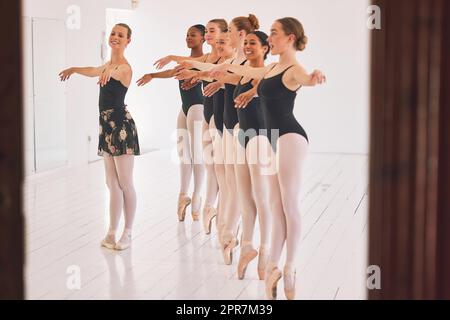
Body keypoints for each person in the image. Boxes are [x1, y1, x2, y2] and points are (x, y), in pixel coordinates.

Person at [209, 17, 326, 300]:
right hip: (273, 140)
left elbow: (305, 79)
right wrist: (241, 86)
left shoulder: (294, 69)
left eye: (274, 33)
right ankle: (273, 263)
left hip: (290, 138)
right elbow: (250, 77)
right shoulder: (272, 67)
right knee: (274, 206)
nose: (269, 38)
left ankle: (290, 267)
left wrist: (314, 76)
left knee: (289, 204)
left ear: (290, 38)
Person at [59, 23, 140, 251]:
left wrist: (107, 73)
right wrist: (74, 69)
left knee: (125, 182)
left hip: (121, 127)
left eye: (120, 35)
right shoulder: (108, 64)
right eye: (113, 33)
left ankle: (128, 232)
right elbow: (94, 70)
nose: (115, 37)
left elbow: (113, 73)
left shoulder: (123, 68)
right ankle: (112, 232)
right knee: (111, 183)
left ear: (128, 41)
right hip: (106, 127)